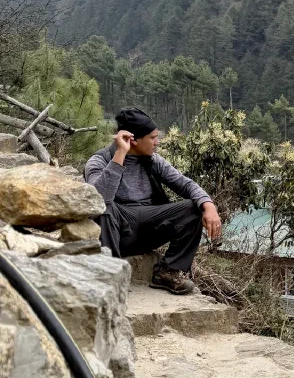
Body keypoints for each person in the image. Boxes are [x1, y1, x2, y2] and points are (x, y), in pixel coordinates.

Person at [85, 107, 222, 295]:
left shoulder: (153, 161)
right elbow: (97, 199)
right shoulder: (99, 161)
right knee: (104, 206)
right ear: (132, 140)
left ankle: (167, 272)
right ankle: (111, 276)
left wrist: (208, 205)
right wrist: (120, 155)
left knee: (193, 208)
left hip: (149, 227)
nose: (157, 143)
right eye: (152, 138)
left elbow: (185, 184)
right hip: (117, 231)